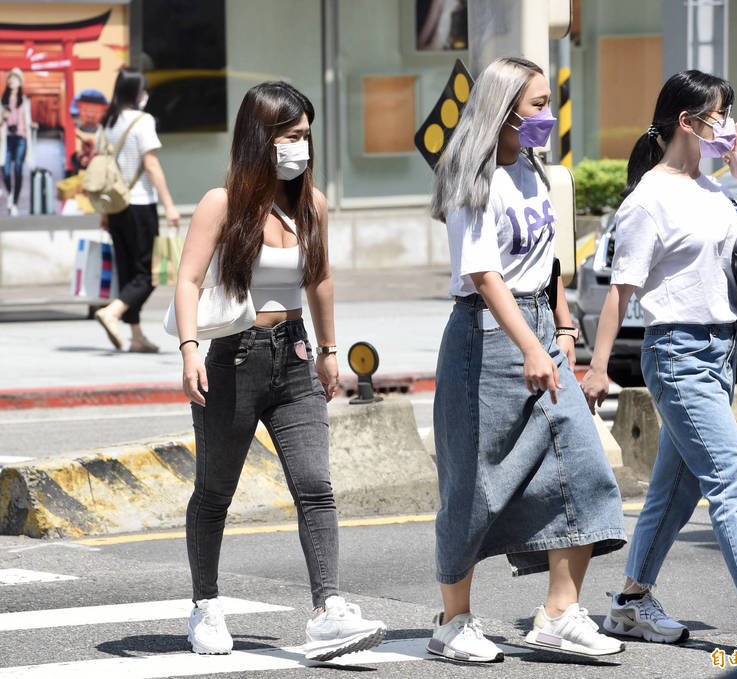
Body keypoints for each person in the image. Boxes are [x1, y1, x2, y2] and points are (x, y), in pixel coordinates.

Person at [173, 81, 386, 661]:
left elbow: (319, 278)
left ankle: (327, 610)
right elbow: (188, 279)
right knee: (215, 491)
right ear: (261, 137)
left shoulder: (309, 205)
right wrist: (190, 349)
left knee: (315, 486)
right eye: (293, 136)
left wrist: (329, 349)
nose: (303, 147)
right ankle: (206, 604)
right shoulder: (222, 203)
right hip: (233, 359)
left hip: (293, 357)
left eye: (307, 136)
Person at [427, 56, 627, 664]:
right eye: (538, 104)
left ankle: (559, 614)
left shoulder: (539, 171)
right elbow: (484, 275)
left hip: (539, 329)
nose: (548, 115)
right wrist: (532, 346)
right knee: (475, 485)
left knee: (584, 464)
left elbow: (550, 261)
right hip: (484, 338)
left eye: (547, 102)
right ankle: (453, 622)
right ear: (504, 108)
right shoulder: (472, 175)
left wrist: (563, 327)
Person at [580, 70, 737, 649]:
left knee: (678, 489)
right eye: (719, 114)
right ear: (687, 121)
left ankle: (630, 602)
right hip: (676, 353)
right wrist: (598, 369)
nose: (728, 124)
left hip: (722, 352)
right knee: (730, 476)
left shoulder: (714, 189)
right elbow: (622, 291)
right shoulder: (648, 199)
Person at [94, 68, 180, 353]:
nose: (146, 95)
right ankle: (113, 312)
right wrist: (169, 205)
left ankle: (136, 335)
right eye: (144, 89)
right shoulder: (143, 121)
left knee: (129, 271)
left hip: (116, 207)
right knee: (150, 274)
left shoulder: (107, 123)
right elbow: (152, 165)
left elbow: (105, 169)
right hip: (140, 205)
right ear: (135, 92)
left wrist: (105, 212)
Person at [1, 67, 37, 216]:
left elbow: (27, 119)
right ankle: (10, 193)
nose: (12, 81)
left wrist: (32, 125)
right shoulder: (3, 101)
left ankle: (14, 202)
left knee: (18, 170)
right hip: (7, 138)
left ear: (19, 82)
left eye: (15, 78)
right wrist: (2, 116)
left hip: (21, 138)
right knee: (6, 170)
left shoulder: (25, 101)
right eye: (10, 78)